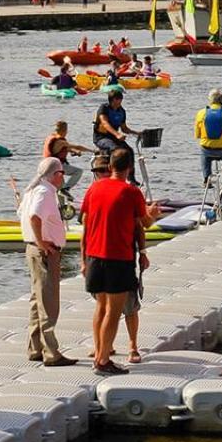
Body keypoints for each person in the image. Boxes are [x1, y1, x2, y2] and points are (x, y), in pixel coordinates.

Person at [80, 147, 152, 374]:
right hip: (118, 257)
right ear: (129, 168)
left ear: (110, 166)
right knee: (113, 310)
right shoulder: (131, 192)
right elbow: (145, 223)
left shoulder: (93, 189)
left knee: (101, 306)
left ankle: (100, 350)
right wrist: (155, 213)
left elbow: (85, 222)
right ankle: (102, 361)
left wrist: (83, 259)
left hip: (94, 255)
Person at [18, 158, 76, 367]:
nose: (63, 178)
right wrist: (42, 242)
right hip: (45, 251)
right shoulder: (45, 192)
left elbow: (23, 214)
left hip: (33, 249)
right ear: (56, 175)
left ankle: (35, 348)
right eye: (62, 174)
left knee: (37, 300)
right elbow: (35, 217)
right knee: (49, 302)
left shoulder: (32, 191)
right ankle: (51, 353)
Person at [43, 120, 90, 192]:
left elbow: (63, 149)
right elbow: (78, 146)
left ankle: (62, 203)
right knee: (78, 172)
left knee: (60, 185)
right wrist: (93, 150)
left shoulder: (51, 137)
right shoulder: (60, 141)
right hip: (55, 166)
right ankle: (66, 189)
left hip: (46, 165)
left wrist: (75, 151)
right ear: (64, 130)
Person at [93, 90, 140, 159]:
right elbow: (105, 123)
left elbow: (124, 129)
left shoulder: (122, 111)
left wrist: (137, 133)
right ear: (111, 100)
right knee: (115, 149)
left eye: (120, 99)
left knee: (129, 151)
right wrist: (117, 134)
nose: (119, 101)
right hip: (101, 138)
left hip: (114, 138)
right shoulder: (104, 108)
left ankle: (128, 169)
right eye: (117, 99)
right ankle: (112, 167)